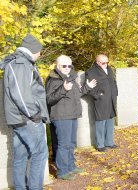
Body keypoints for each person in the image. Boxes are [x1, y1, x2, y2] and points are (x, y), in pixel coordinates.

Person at [0, 34, 49, 190]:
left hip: (20, 119)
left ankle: (21, 187)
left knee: (20, 157)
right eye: (39, 50)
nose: (40, 54)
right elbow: (21, 94)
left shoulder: (19, 63)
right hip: (27, 119)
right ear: (32, 49)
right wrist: (35, 115)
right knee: (40, 153)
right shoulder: (21, 64)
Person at [45, 55, 97, 180]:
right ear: (57, 66)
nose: (67, 68)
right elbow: (49, 99)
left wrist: (87, 87)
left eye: (70, 65)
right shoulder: (54, 80)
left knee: (71, 143)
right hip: (61, 116)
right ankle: (62, 171)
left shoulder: (71, 77)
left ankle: (71, 166)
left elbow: (77, 93)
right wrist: (63, 89)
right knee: (64, 144)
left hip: (72, 114)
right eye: (64, 66)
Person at [85, 54, 119, 152]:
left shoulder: (109, 69)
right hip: (101, 101)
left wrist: (115, 92)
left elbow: (114, 82)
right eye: (103, 63)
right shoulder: (91, 72)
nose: (106, 64)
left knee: (110, 120)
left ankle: (109, 142)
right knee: (101, 121)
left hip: (111, 99)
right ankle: (100, 144)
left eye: (107, 62)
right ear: (97, 62)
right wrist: (98, 96)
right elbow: (89, 88)